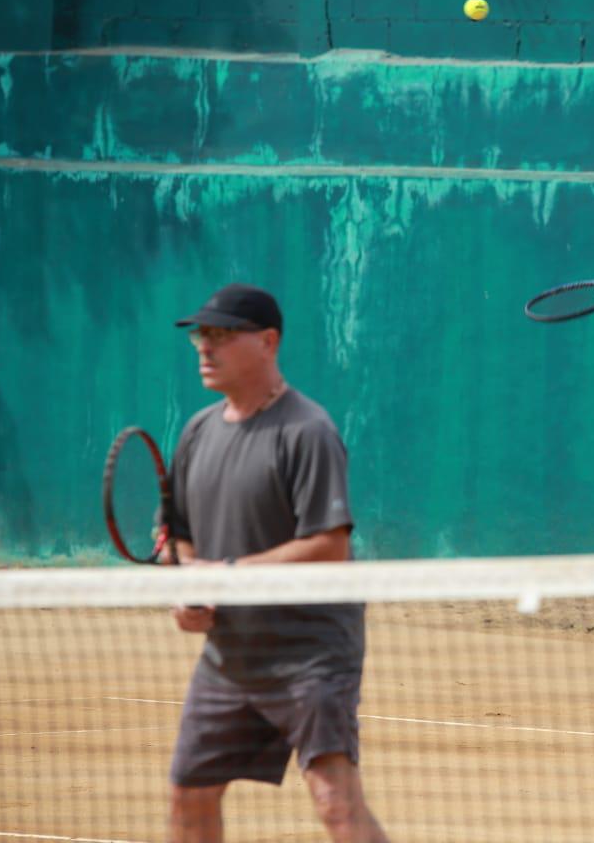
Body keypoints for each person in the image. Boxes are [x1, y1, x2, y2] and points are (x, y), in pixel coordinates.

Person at [161, 283, 389, 843]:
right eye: (200, 336)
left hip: (309, 656)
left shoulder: (306, 431)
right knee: (189, 794)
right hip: (230, 657)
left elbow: (328, 548)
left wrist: (227, 575)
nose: (204, 348)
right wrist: (189, 585)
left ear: (268, 342)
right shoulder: (196, 432)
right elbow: (175, 536)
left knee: (335, 801)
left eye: (220, 336)